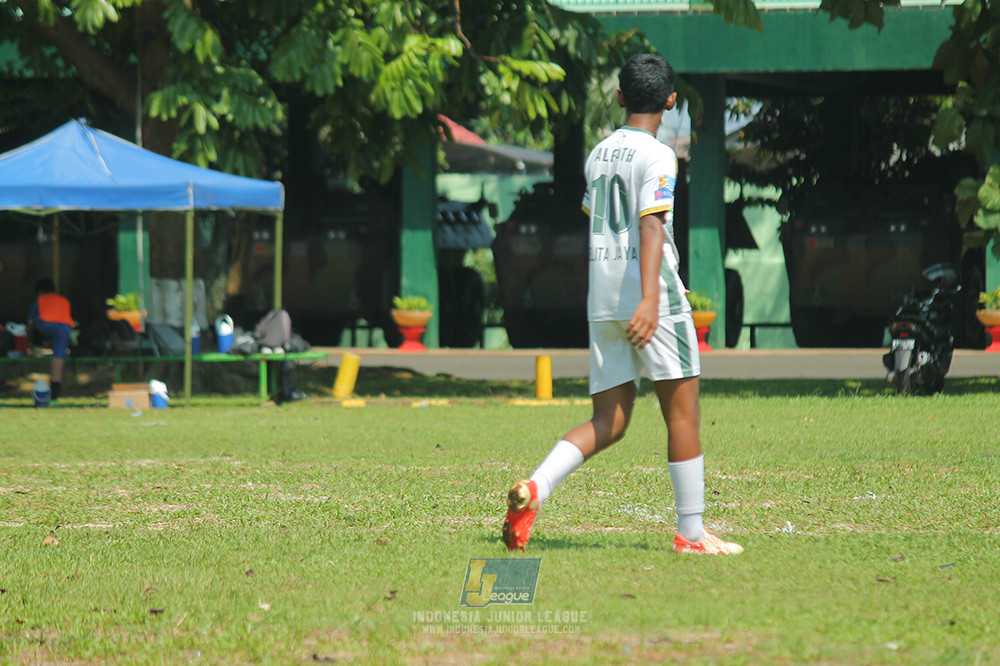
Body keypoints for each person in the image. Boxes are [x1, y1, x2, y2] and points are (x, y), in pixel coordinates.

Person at [502, 54, 742, 556]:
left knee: (609, 422)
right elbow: (651, 225)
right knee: (683, 415)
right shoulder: (658, 155)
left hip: (605, 299)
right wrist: (653, 298)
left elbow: (597, 218)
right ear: (671, 102)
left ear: (618, 97)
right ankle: (692, 535)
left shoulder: (599, 154)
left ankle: (535, 490)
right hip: (648, 299)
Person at [26, 277, 74, 402]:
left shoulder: (39, 301)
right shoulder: (64, 300)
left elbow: (30, 326)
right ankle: (54, 396)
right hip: (65, 329)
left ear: (40, 291)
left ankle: (41, 343)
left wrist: (29, 342)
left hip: (45, 326)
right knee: (58, 359)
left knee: (37, 325)